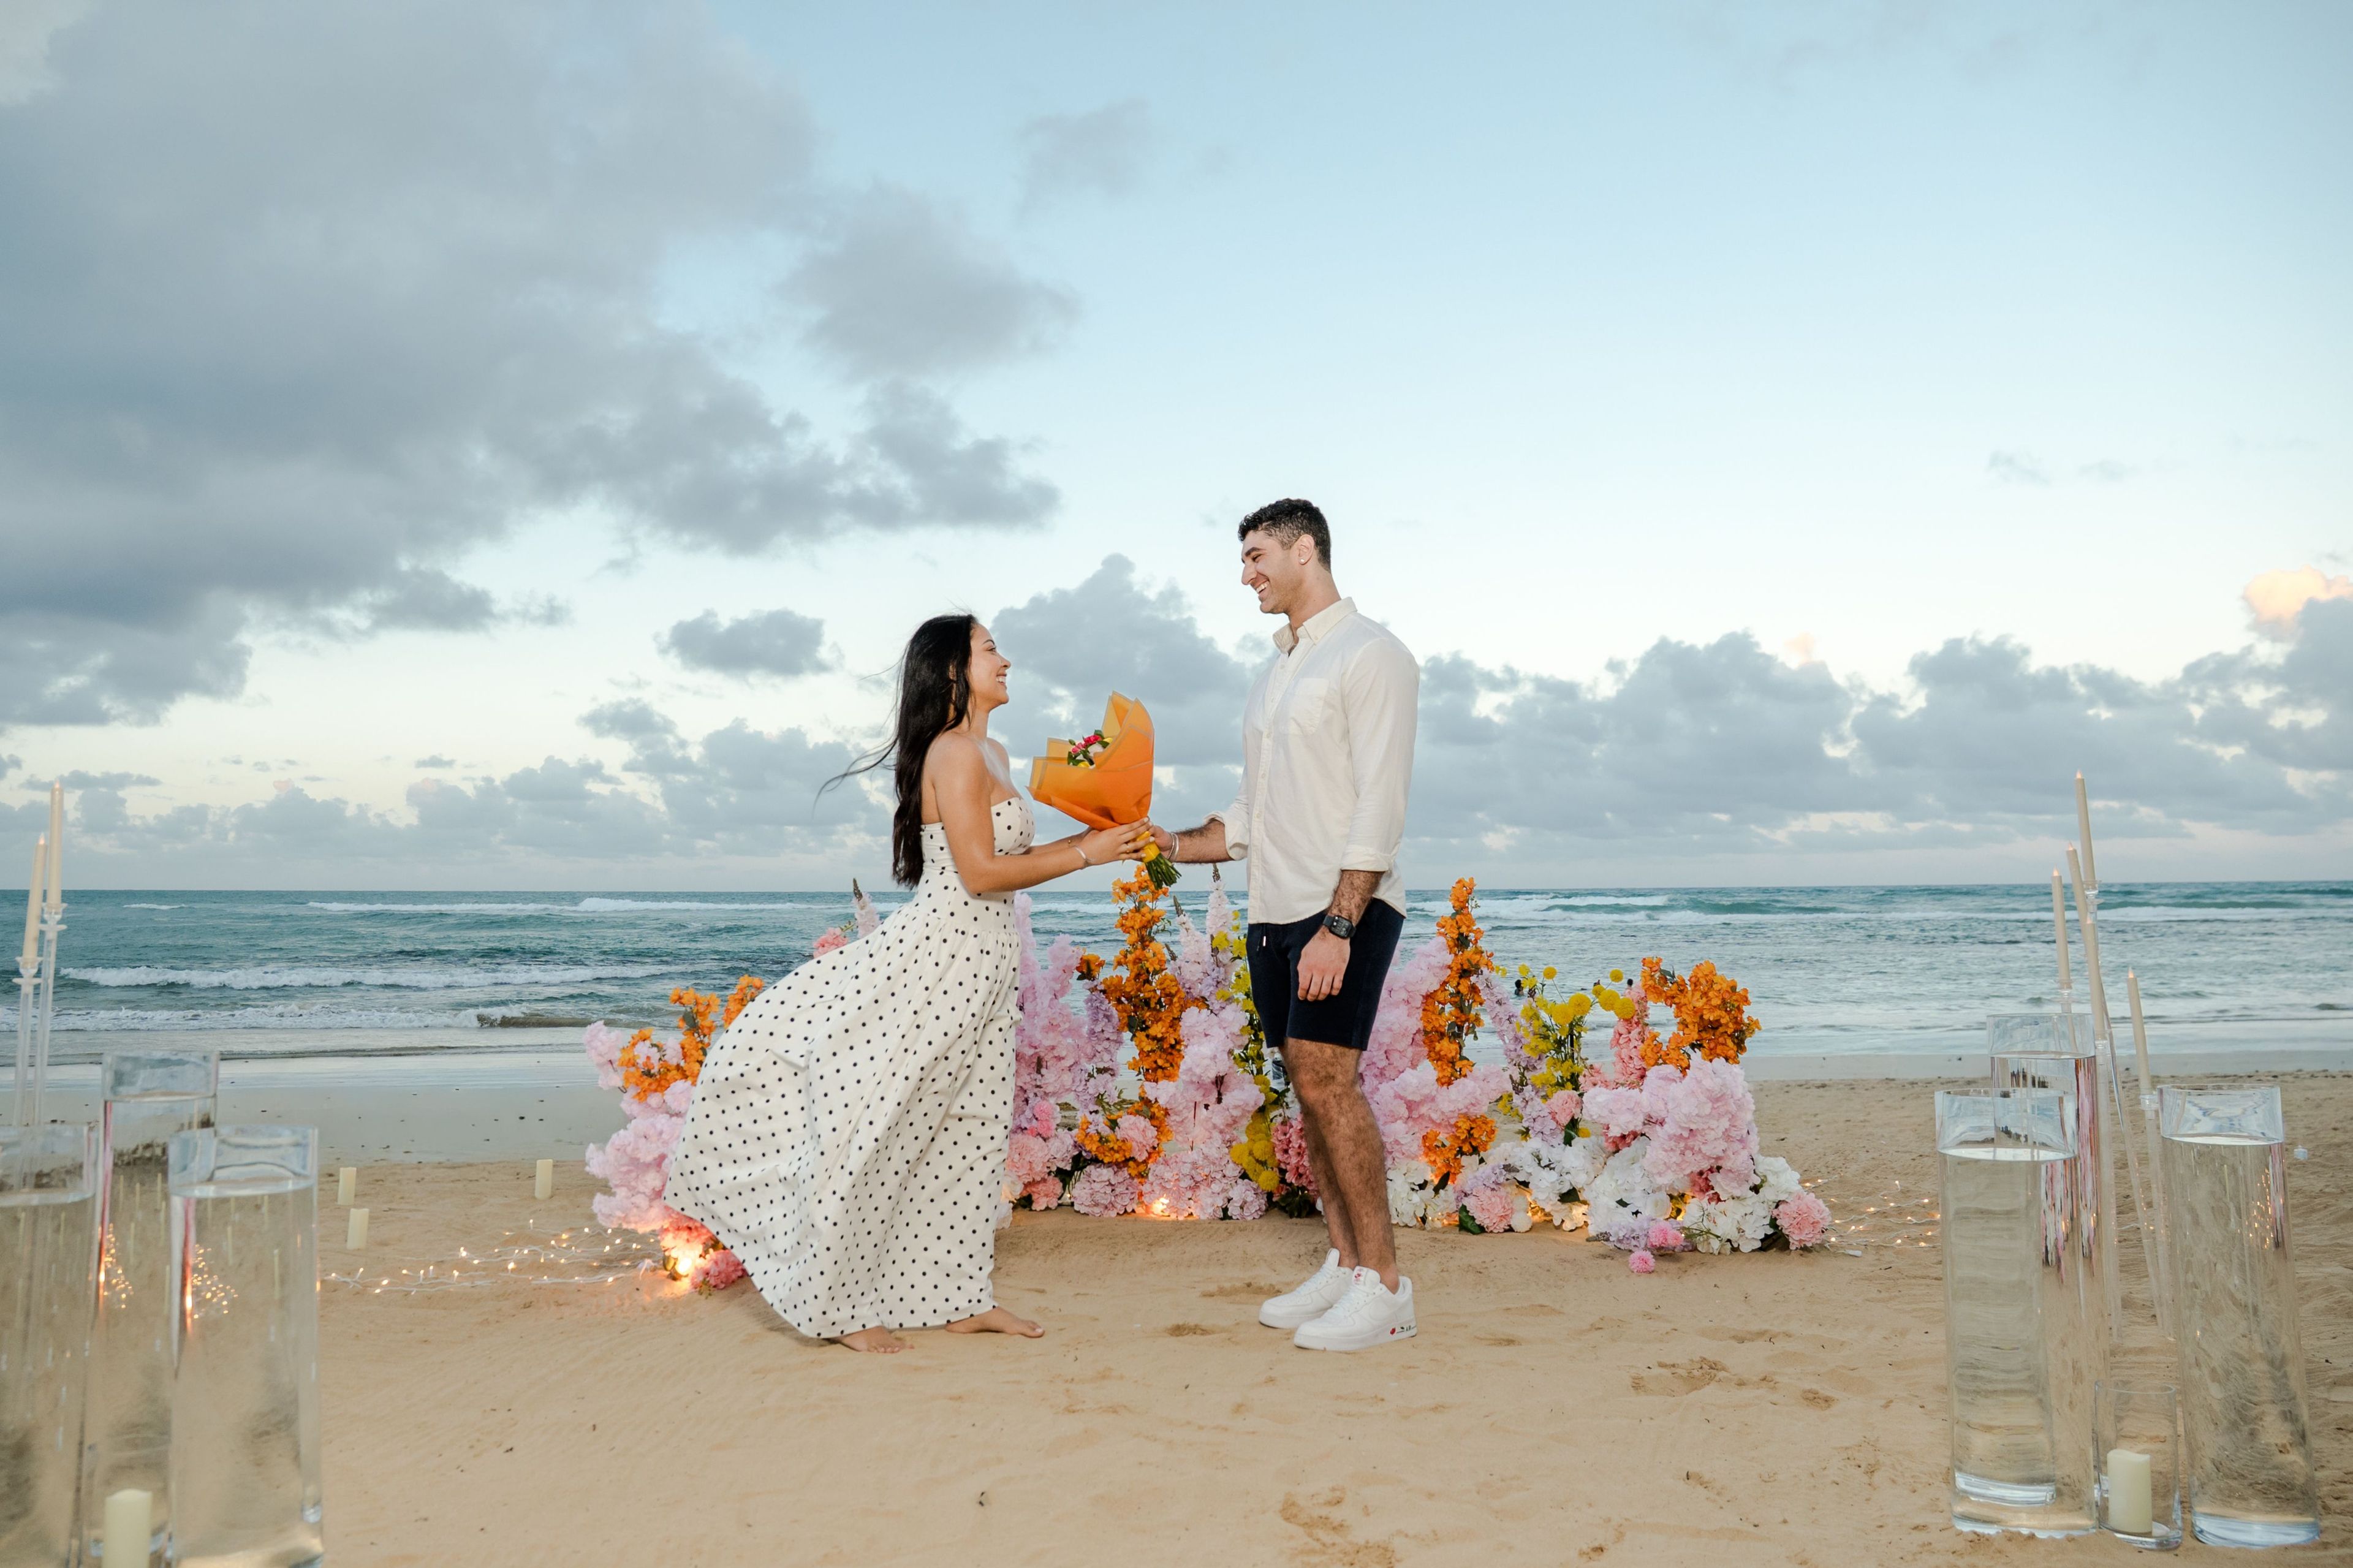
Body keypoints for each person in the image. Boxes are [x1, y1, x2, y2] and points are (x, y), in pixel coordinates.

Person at [665, 613, 1151, 1354]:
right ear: (953, 669)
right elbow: (982, 874)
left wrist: (1102, 843)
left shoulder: (990, 748)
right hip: (939, 960)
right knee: (883, 1125)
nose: (1006, 659)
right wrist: (1086, 854)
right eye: (991, 649)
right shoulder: (953, 754)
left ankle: (958, 1296)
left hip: (987, 964)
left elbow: (1004, 854)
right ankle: (837, 1304)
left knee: (969, 1132)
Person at [1153, 498, 1421, 1352]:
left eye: (1258, 554)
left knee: (1328, 1078)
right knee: (1307, 1083)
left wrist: (1339, 924)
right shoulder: (1274, 675)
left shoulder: (1372, 653)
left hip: (1340, 903)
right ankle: (1343, 1264)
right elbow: (1247, 814)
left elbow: (1380, 800)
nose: (1247, 574)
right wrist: (1166, 843)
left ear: (1306, 550)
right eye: (1243, 559)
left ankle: (1385, 1285)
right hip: (1273, 908)